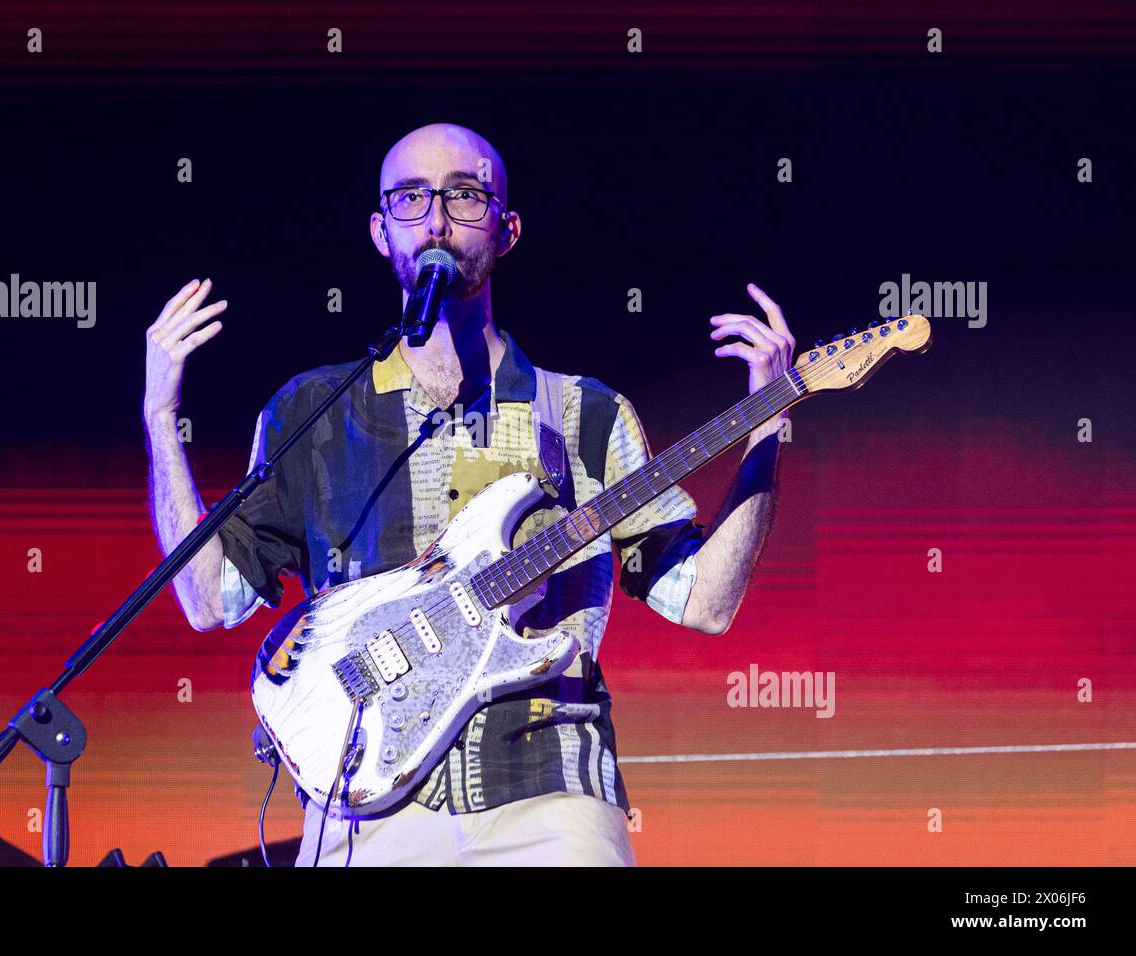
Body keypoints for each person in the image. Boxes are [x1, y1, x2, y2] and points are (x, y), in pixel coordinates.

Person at [142, 123, 795, 866]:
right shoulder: (311, 414)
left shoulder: (585, 414)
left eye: (464, 194)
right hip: (365, 806)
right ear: (380, 230)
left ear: (507, 229)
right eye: (412, 198)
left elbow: (706, 601)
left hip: (548, 795)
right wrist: (161, 417)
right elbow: (207, 600)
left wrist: (768, 420)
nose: (438, 220)